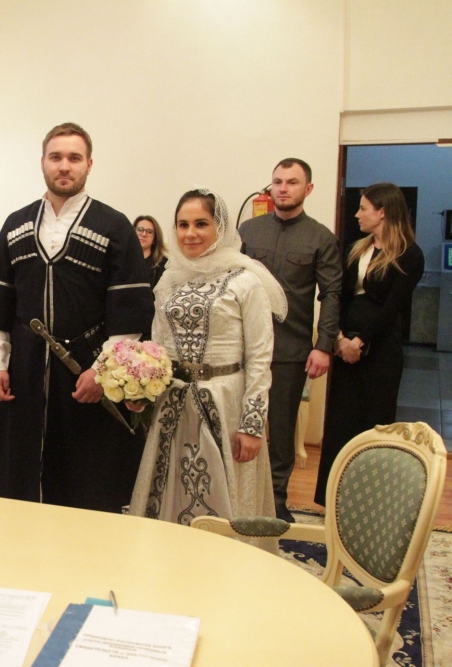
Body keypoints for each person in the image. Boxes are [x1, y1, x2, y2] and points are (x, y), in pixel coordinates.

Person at [0, 122, 153, 512]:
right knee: (18, 483)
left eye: (74, 158)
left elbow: (129, 313)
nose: (64, 166)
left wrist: (102, 371)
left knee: (86, 481)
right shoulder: (15, 225)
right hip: (24, 370)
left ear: (89, 164)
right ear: (42, 161)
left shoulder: (114, 226)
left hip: (84, 372)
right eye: (56, 157)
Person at [128, 189, 287, 553]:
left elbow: (260, 357)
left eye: (201, 224)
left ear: (220, 228)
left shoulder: (245, 280)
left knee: (225, 497)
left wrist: (252, 425)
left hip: (227, 403)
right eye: (182, 225)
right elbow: (158, 349)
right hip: (174, 406)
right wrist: (143, 392)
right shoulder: (169, 281)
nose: (190, 233)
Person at [239, 158, 343, 523]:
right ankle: (240, 495)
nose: (283, 188)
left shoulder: (321, 238)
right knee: (239, 423)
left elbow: (332, 294)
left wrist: (324, 345)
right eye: (278, 181)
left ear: (308, 189)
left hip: (290, 350)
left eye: (292, 182)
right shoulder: (248, 231)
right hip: (243, 348)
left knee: (281, 429)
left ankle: (276, 501)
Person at [314, 183, 424, 505]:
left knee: (374, 424)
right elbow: (340, 296)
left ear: (383, 212)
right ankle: (333, 498)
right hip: (345, 345)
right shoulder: (357, 249)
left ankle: (369, 502)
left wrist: (360, 341)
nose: (357, 214)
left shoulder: (409, 254)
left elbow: (393, 307)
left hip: (381, 352)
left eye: (363, 208)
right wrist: (338, 339)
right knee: (341, 422)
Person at [134, 214, 168, 288]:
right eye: (140, 230)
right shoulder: (122, 261)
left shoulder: (164, 265)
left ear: (154, 239)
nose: (144, 234)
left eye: (149, 232)